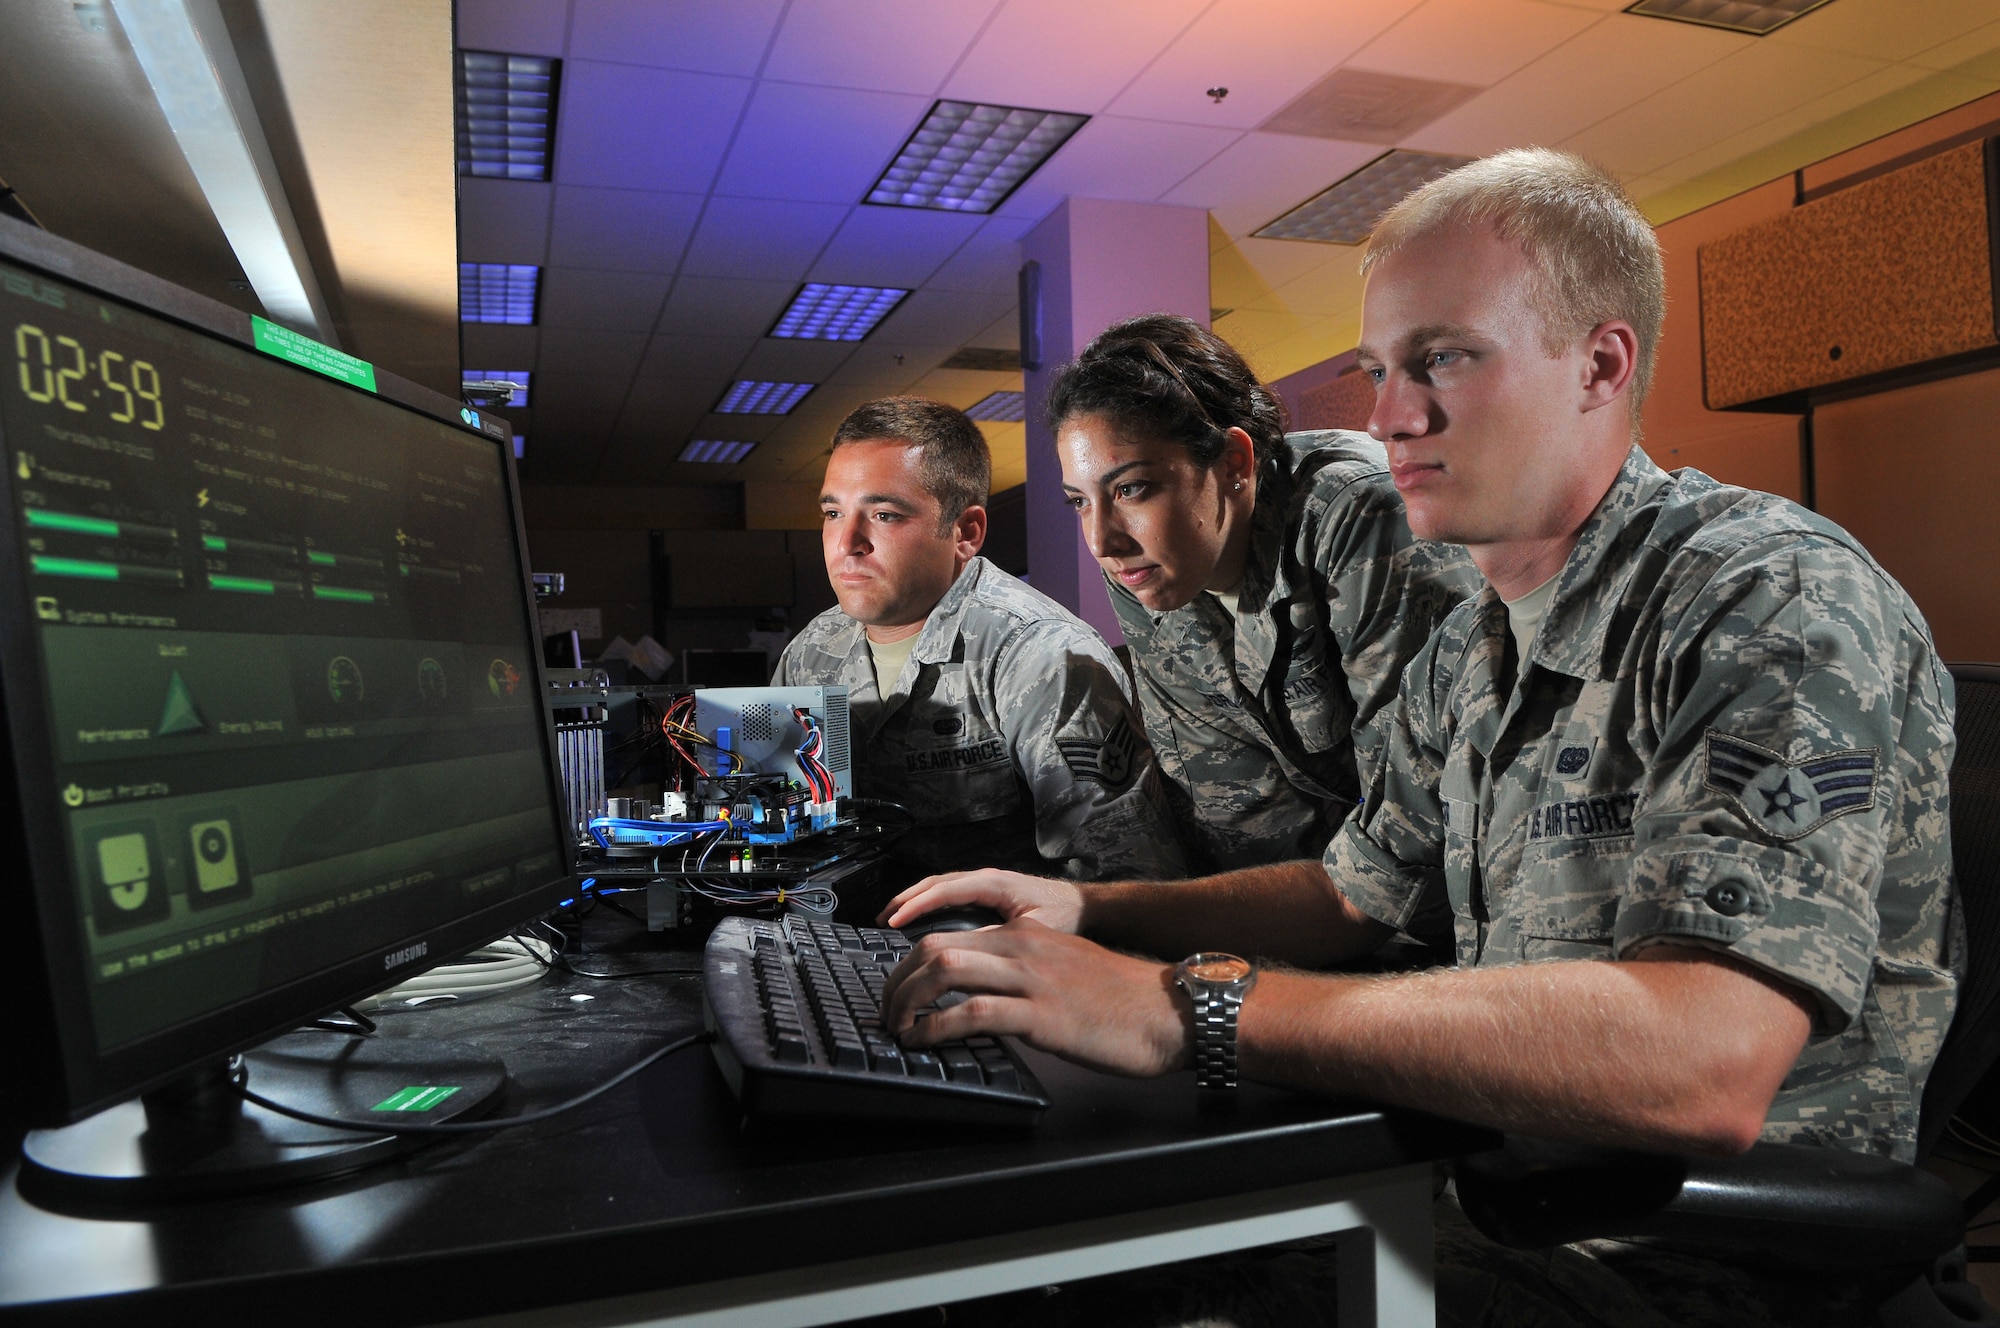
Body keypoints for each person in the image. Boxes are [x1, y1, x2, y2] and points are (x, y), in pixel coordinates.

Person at [876, 150, 1960, 1325]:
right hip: (1476, 1170)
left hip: (1677, 1251)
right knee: (1024, 1247)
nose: (1389, 416)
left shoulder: (1764, 600)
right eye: (1378, 370)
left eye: (1442, 358)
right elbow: (1355, 895)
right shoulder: (1472, 645)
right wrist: (1089, 916)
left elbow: (1705, 1055)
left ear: (1599, 364)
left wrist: (1190, 1004)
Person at [1049, 315, 1479, 873]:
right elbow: (1238, 824)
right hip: (1337, 902)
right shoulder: (1144, 567)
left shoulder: (1359, 516)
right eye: (1079, 501)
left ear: (1233, 462)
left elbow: (1415, 831)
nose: (1101, 540)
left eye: (1131, 489)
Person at [773, 396, 1184, 886]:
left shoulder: (1041, 656)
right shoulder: (810, 652)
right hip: (832, 939)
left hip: (1001, 947)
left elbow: (1126, 879)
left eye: (883, 515)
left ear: (965, 532)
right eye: (833, 513)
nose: (847, 543)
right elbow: (779, 837)